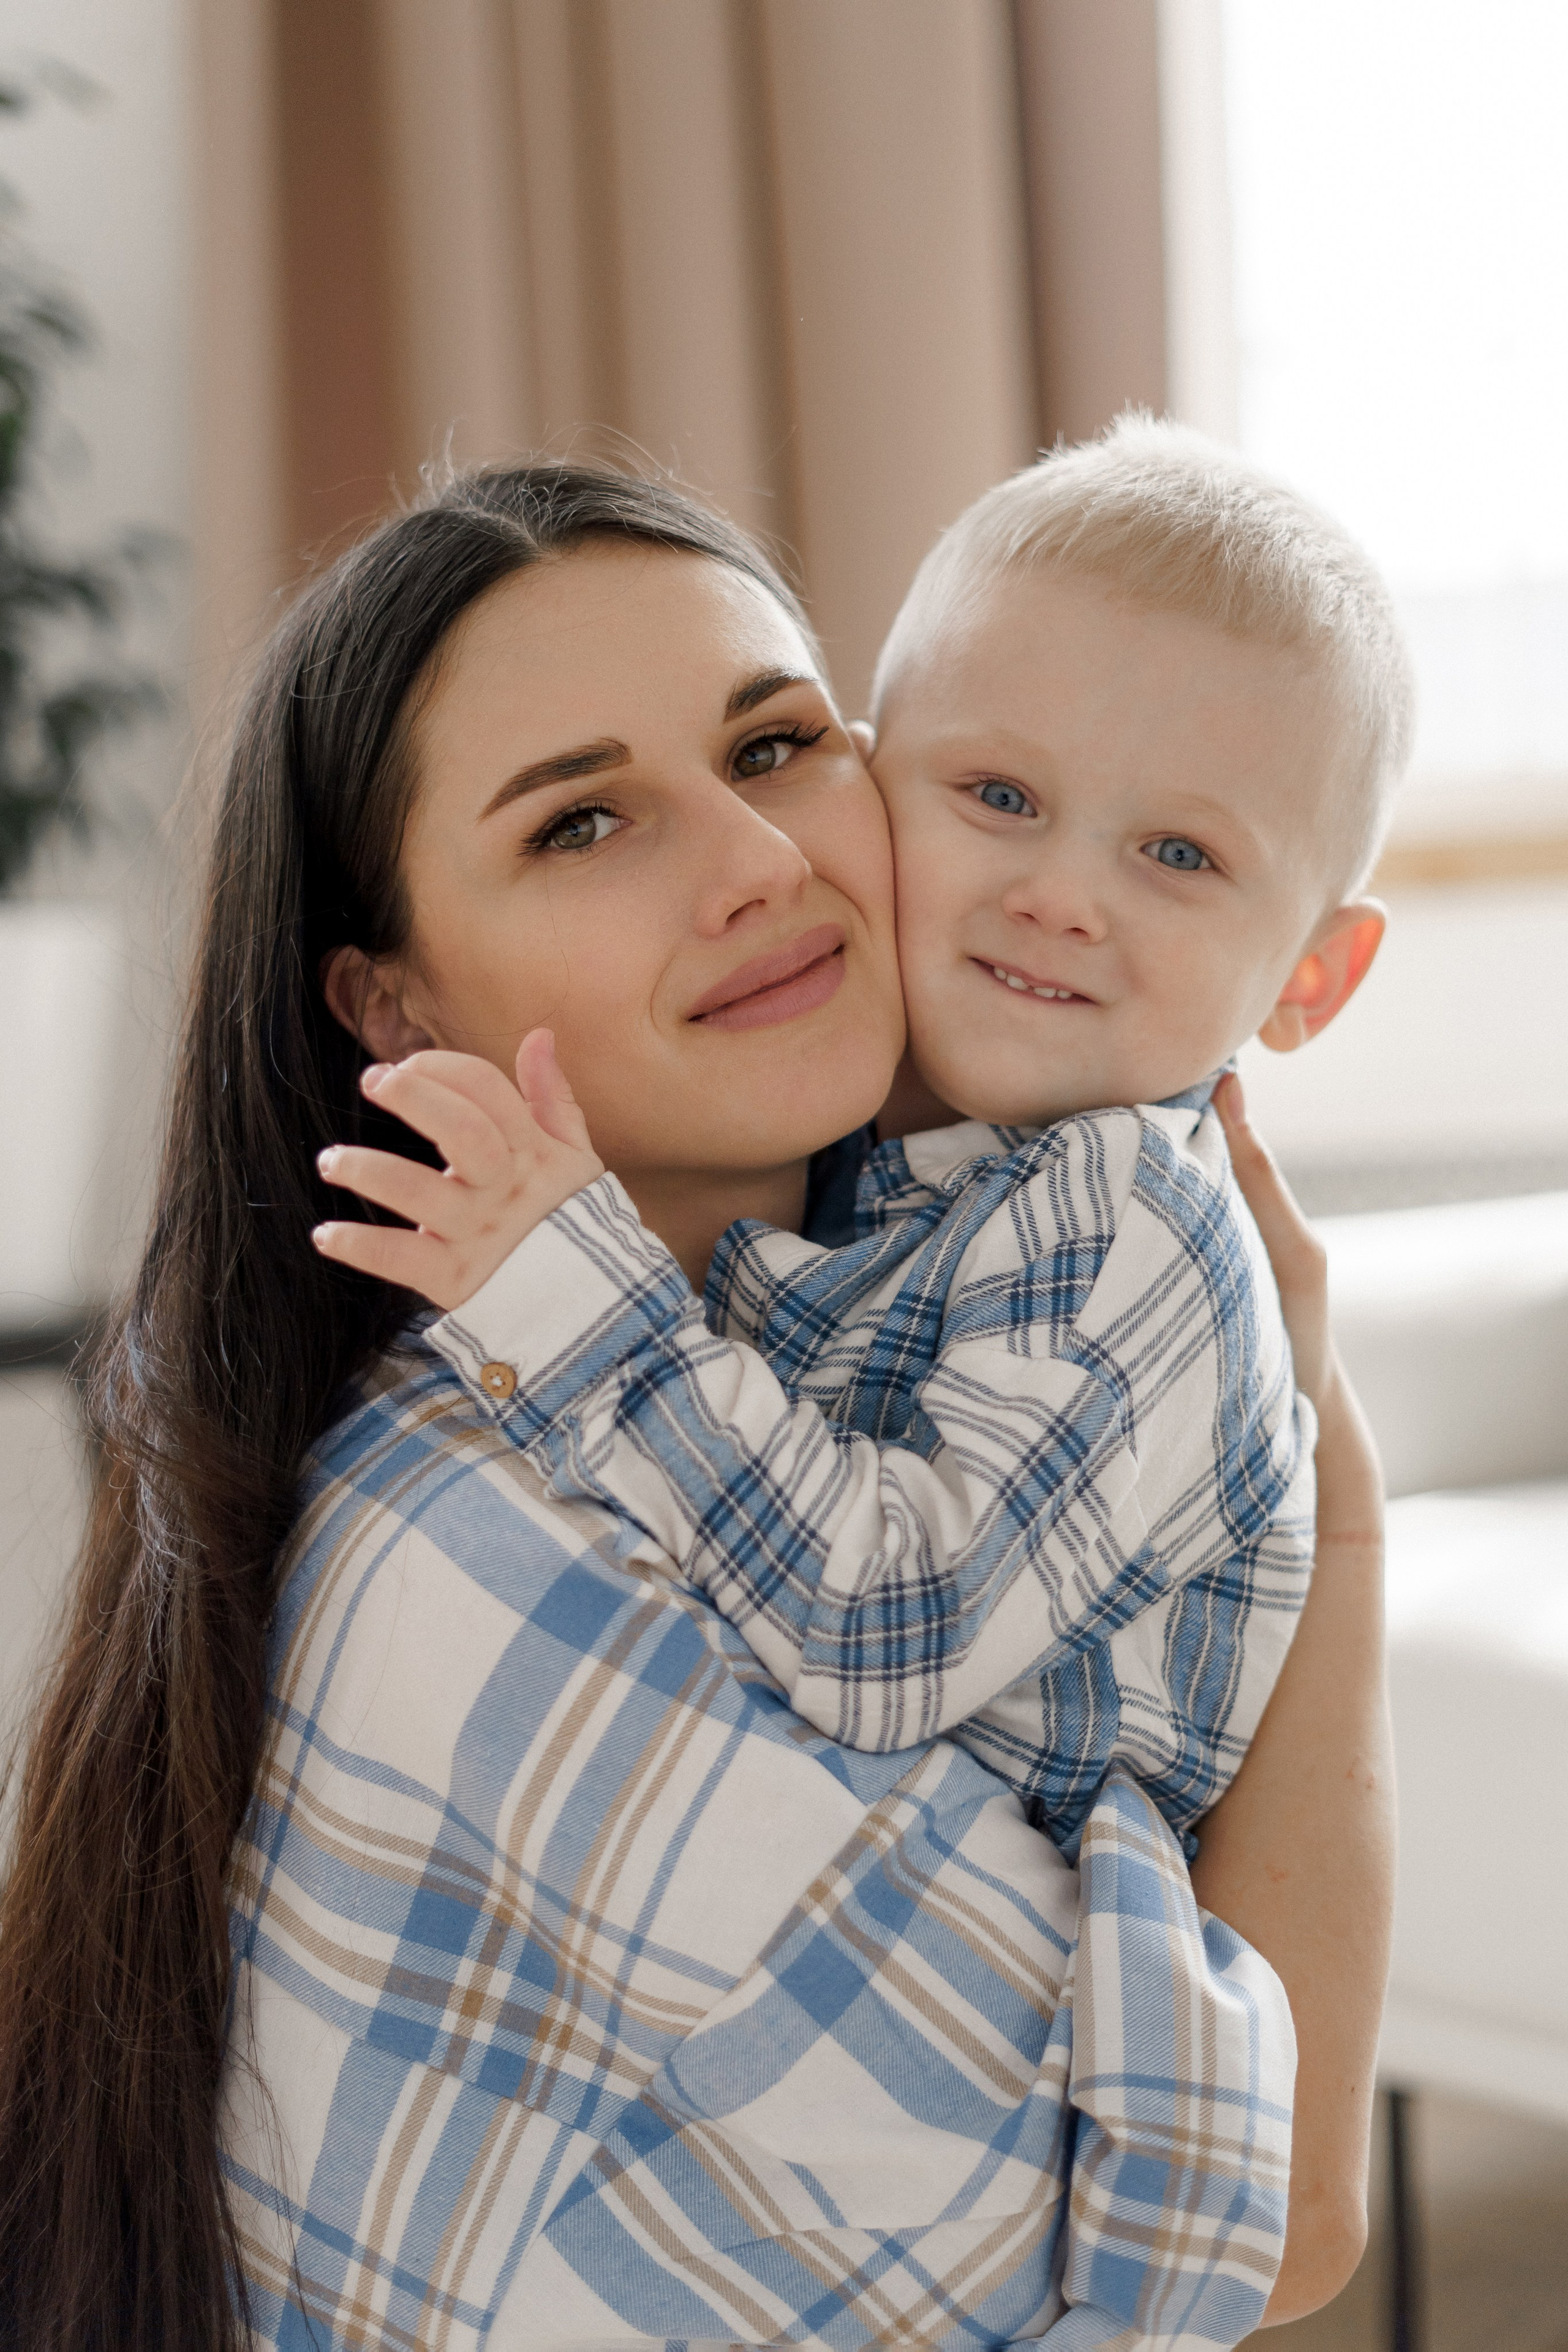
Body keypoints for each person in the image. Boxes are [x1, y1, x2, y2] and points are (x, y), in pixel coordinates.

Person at [0, 466, 1394, 2352]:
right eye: (585, 823)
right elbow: (1244, 2219)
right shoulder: (486, 1520)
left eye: (774, 740)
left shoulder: (969, 1257)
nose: (754, 861)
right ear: (393, 1007)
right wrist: (1344, 1496)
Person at [315, 420, 1410, 1865]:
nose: (1060, 899)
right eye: (1000, 800)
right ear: (887, 777)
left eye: (1178, 855)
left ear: (1305, 982)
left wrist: (573, 1300)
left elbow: (883, 1632)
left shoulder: (1131, 1213)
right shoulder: (894, 1183)